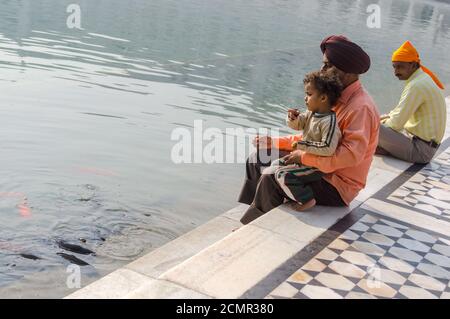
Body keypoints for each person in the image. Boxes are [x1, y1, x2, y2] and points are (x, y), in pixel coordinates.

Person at [238, 35, 380, 225]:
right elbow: (310, 135)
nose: (322, 70)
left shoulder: (360, 107)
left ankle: (250, 227)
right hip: (317, 167)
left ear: (347, 72)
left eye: (328, 65)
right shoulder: (333, 95)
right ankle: (251, 212)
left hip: (336, 184)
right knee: (258, 158)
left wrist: (303, 157)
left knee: (272, 175)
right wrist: (275, 142)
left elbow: (350, 156)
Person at [266, 71, 343, 212]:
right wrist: (293, 118)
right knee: (275, 165)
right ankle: (285, 194)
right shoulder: (311, 114)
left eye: (309, 94)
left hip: (315, 165)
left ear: (323, 98)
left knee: (282, 174)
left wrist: (302, 145)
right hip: (303, 158)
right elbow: (298, 125)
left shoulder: (329, 121)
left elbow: (328, 148)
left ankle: (307, 199)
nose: (305, 98)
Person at [376, 41, 447, 163]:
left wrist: (376, 123)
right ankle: (382, 147)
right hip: (423, 145)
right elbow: (398, 114)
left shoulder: (416, 85)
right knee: (377, 121)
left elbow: (396, 124)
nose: (396, 72)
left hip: (421, 151)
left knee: (370, 125)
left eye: (400, 67)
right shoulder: (422, 79)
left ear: (413, 65)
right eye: (394, 67)